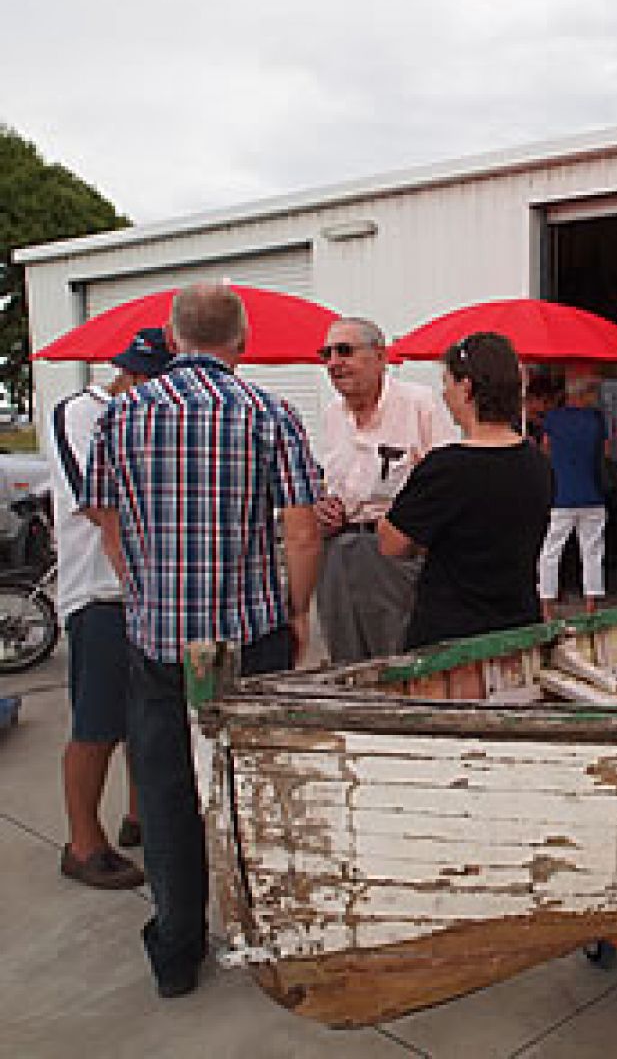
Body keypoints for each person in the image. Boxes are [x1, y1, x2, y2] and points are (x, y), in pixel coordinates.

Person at [82, 282, 323, 1000]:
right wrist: (297, 610)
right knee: (255, 789)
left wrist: (143, 582)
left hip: (160, 638)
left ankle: (177, 951)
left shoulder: (121, 414)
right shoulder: (268, 412)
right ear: (241, 340)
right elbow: (303, 529)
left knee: (164, 793)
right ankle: (268, 935)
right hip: (250, 635)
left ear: (174, 335)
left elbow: (104, 512)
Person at [47, 329, 172, 890]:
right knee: (97, 721)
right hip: (98, 590)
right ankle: (82, 841)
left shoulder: (154, 417)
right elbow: (98, 501)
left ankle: (139, 816)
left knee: (145, 714)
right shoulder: (77, 415)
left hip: (147, 590)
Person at [379, 332, 552, 648]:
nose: (444, 395)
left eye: (447, 383)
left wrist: (411, 485)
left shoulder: (446, 467)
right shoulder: (537, 462)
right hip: (517, 625)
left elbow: (392, 544)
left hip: (452, 634)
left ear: (467, 387)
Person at [314, 317, 454, 663]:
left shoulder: (419, 404)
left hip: (395, 556)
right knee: (345, 665)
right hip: (337, 553)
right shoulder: (332, 415)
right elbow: (330, 484)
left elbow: (448, 482)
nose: (333, 362)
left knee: (399, 661)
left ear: (379, 356)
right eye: (326, 353)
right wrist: (322, 506)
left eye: (344, 351)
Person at [538, 373, 609, 618]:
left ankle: (547, 607)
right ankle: (591, 605)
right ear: (585, 394)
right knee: (592, 552)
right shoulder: (596, 420)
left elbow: (545, 449)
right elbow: (605, 451)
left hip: (561, 494)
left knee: (550, 551)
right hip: (592, 494)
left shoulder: (553, 418)